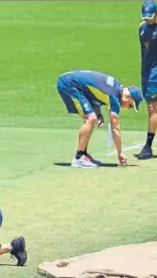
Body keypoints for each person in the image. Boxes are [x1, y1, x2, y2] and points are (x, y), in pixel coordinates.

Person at [56, 70, 144, 168]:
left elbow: (94, 94)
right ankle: (78, 158)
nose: (128, 108)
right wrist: (120, 153)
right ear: (127, 97)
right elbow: (115, 128)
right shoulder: (114, 96)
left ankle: (83, 154)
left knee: (92, 118)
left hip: (71, 82)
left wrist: (99, 114)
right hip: (68, 84)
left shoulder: (117, 86)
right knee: (91, 118)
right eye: (131, 106)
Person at [136, 1, 157, 159]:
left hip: (153, 77)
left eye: (150, 17)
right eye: (146, 17)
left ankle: (148, 147)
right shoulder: (142, 28)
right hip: (146, 74)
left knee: (152, 110)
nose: (148, 20)